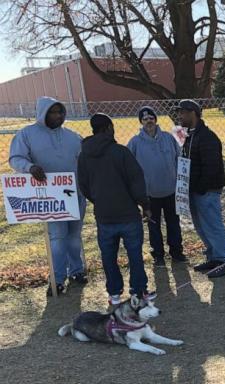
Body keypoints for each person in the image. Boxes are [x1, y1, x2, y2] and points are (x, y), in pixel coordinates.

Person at [9, 97, 86, 296]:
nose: (58, 116)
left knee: (74, 237)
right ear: (43, 113)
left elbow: (85, 160)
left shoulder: (72, 136)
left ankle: (77, 271)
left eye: (61, 112)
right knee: (58, 238)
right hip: (50, 198)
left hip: (75, 194)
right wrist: (30, 167)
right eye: (53, 112)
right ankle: (57, 278)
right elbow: (15, 158)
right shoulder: (27, 134)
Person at [77, 113, 155, 305]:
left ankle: (113, 293)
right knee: (134, 254)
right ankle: (138, 291)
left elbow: (83, 185)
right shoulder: (120, 152)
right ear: (109, 128)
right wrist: (145, 205)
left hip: (104, 215)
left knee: (108, 256)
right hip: (128, 214)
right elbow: (136, 181)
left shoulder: (84, 155)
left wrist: (98, 200)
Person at [176, 99, 225, 278]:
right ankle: (213, 257)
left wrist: (200, 187)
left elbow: (212, 167)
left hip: (206, 190)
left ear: (193, 113)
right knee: (201, 226)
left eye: (183, 112)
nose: (180, 116)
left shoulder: (207, 137)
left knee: (212, 225)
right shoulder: (188, 135)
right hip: (193, 190)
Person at [127, 106, 187, 267]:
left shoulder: (169, 138)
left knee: (173, 223)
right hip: (149, 194)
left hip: (171, 190)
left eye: (151, 118)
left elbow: (180, 159)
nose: (149, 121)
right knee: (154, 226)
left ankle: (177, 252)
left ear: (156, 119)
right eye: (145, 119)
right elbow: (129, 167)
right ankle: (158, 255)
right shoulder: (135, 142)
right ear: (141, 122)